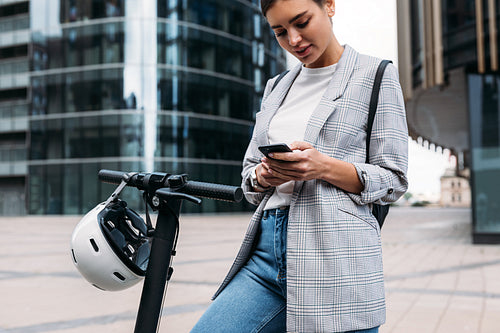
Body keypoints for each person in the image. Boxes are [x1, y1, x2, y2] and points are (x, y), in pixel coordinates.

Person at [191, 0, 408, 332]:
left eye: (302, 22)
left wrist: (322, 166)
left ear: (330, 6)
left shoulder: (375, 74)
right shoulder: (276, 87)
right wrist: (263, 175)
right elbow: (249, 175)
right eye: (279, 32)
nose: (293, 40)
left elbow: (394, 179)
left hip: (336, 259)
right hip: (265, 255)